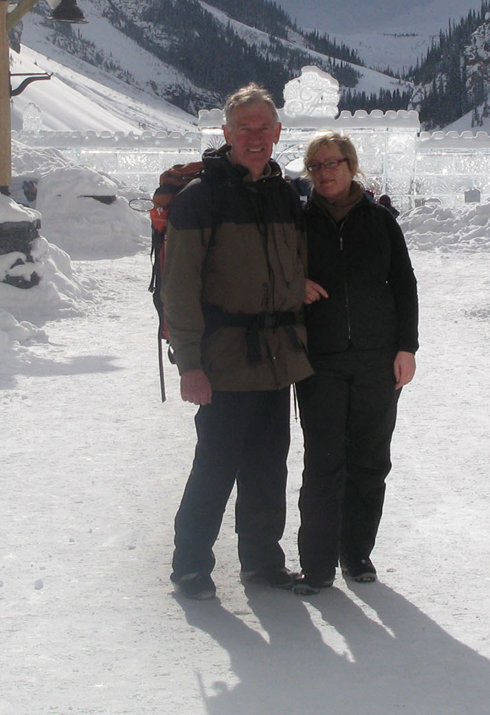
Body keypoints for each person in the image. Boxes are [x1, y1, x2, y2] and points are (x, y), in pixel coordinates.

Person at [161, 84, 313, 600]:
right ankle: (189, 566)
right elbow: (178, 290)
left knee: (268, 467)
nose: (254, 137)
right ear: (226, 134)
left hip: (275, 358)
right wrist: (189, 364)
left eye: (262, 127)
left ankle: (262, 562)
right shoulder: (199, 199)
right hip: (222, 359)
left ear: (278, 133)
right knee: (216, 466)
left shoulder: (285, 195)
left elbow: (289, 266)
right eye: (243, 128)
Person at [294, 131, 418, 595]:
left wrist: (407, 347)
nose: (325, 173)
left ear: (351, 165)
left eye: (333, 163)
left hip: (377, 359)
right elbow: (274, 272)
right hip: (320, 360)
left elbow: (404, 284)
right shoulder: (298, 222)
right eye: (316, 166)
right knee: (323, 462)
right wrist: (293, 285)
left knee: (369, 460)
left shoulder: (380, 221)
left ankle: (357, 552)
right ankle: (317, 564)